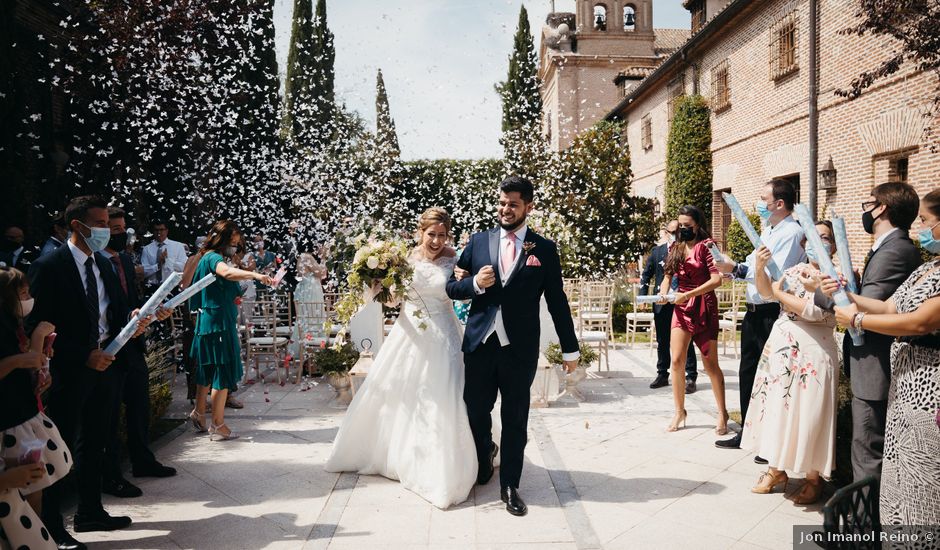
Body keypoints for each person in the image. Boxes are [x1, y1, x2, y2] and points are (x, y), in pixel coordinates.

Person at [326, 207, 478, 509]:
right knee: (401, 393)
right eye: (430, 234)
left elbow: (462, 289)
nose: (436, 240)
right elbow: (395, 300)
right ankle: (396, 453)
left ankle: (444, 461)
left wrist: (469, 277)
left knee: (444, 393)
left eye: (441, 235)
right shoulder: (402, 259)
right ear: (419, 232)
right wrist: (377, 283)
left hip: (445, 332)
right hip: (409, 332)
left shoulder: (456, 259)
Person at [446, 177, 580, 517]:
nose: (505, 209)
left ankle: (510, 484)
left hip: (519, 348)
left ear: (528, 207)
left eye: (513, 204)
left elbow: (557, 302)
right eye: (502, 202)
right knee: (476, 409)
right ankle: (484, 454)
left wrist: (570, 349)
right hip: (480, 343)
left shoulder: (543, 249)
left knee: (516, 416)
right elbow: (452, 287)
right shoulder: (478, 242)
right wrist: (475, 284)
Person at [27, 195, 153, 549]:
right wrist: (83, 355)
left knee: (98, 440)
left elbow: (115, 311)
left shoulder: (104, 264)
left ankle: (90, 511)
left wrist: (132, 320)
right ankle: (52, 526)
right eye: (99, 224)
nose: (105, 231)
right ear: (77, 226)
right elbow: (37, 324)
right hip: (71, 370)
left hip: (108, 367)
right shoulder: (50, 266)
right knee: (61, 445)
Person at [829, 188, 940, 531]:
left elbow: (922, 321)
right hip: (905, 383)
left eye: (926, 220)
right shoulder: (930, 266)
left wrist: (857, 320)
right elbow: (891, 306)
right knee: (899, 465)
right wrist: (847, 295)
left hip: (929, 384)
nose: (919, 226)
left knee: (921, 471)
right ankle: (891, 531)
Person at [814, 182, 922, 483]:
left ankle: (864, 524)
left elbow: (869, 308)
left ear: (881, 208)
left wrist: (817, 290)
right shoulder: (889, 248)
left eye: (867, 203)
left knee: (867, 450)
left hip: (876, 362)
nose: (864, 210)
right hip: (870, 360)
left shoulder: (895, 251)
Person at [744, 221, 841, 505]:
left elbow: (814, 311)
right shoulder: (793, 271)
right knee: (778, 407)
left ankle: (813, 477)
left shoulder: (839, 275)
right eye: (813, 237)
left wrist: (779, 294)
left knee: (810, 412)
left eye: (824, 237)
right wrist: (761, 268)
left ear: (833, 244)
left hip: (815, 349)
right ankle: (776, 469)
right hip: (783, 345)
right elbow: (765, 293)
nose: (818, 241)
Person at [715, 179, 806, 452]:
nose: (759, 203)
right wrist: (731, 268)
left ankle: (771, 439)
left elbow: (772, 273)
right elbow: (753, 265)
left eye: (763, 198)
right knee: (748, 372)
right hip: (753, 312)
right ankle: (747, 430)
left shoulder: (791, 233)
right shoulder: (769, 230)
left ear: (779, 203)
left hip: (772, 311)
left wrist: (741, 270)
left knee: (772, 375)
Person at [100, 208, 176, 501]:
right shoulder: (97, 264)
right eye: (113, 229)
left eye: (122, 229)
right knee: (108, 415)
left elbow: (131, 300)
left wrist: (149, 312)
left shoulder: (124, 260)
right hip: (108, 348)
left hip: (133, 344)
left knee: (139, 404)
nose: (120, 234)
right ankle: (111, 474)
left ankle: (143, 459)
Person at [1, 266, 70, 550]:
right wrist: (21, 360)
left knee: (34, 485)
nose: (29, 298)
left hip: (22, 412)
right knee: (19, 496)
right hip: (8, 419)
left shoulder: (10, 323)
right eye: (23, 293)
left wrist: (37, 373)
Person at [188, 220, 273, 441]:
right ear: (222, 240)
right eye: (232, 243)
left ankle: (199, 412)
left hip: (208, 320)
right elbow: (226, 273)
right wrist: (254, 275)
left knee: (206, 369)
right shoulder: (214, 258)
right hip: (219, 322)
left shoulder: (204, 257)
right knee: (222, 371)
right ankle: (218, 424)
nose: (234, 247)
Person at [658, 206, 728, 434]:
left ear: (698, 225)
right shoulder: (677, 248)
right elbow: (667, 275)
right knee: (676, 360)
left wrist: (688, 294)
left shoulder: (708, 247)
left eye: (688, 225)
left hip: (703, 306)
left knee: (710, 364)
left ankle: (722, 413)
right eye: (681, 226)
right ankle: (679, 411)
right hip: (681, 308)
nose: (684, 229)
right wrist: (663, 292)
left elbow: (717, 280)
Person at [640, 220, 698, 392]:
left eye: (678, 231)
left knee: (687, 340)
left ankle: (690, 376)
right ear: (666, 232)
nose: (675, 234)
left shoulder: (687, 250)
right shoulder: (657, 251)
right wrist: (643, 296)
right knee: (663, 339)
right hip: (662, 302)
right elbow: (646, 275)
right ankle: (662, 373)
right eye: (672, 231)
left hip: (682, 301)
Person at [289, 252, 327, 371]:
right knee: (313, 319)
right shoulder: (307, 257)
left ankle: (308, 358)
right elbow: (321, 273)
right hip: (312, 292)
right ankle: (312, 360)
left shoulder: (301, 258)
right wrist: (324, 257)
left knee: (306, 320)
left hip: (307, 290)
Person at [140, 219, 187, 295]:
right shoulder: (147, 249)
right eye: (156, 230)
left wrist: (168, 261)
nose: (159, 232)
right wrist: (158, 265)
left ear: (166, 231)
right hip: (153, 287)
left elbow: (184, 267)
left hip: (172, 286)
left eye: (161, 230)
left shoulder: (178, 246)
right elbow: (144, 272)